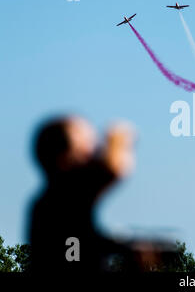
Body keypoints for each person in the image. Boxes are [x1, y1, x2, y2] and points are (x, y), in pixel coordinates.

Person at [28, 115, 162, 272]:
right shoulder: (66, 194)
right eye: (89, 147)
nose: (96, 152)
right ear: (65, 157)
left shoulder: (45, 206)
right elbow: (113, 168)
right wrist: (117, 137)